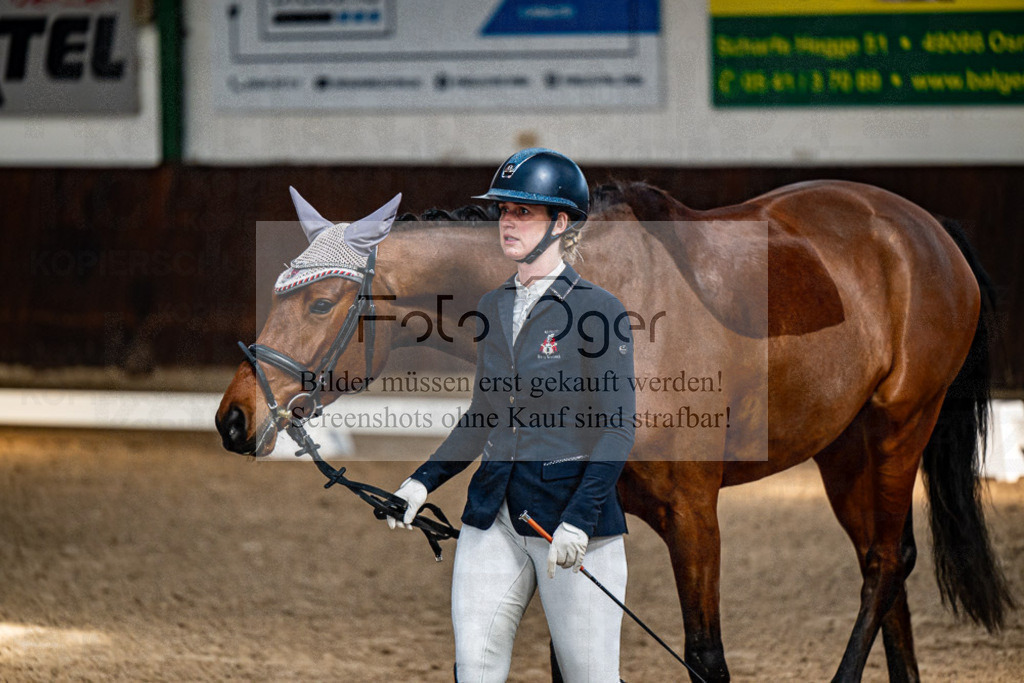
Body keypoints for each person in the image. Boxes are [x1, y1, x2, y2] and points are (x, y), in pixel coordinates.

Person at [387, 148, 636, 682]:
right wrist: (421, 482)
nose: (507, 221)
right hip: (492, 512)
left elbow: (618, 430)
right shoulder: (495, 306)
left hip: (570, 521)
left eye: (523, 211)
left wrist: (580, 519)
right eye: (504, 210)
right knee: (474, 668)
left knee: (591, 677)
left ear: (561, 222)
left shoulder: (600, 309)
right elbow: (484, 413)